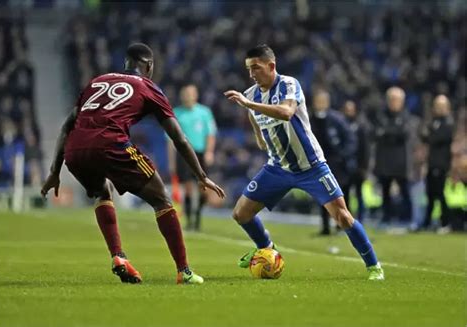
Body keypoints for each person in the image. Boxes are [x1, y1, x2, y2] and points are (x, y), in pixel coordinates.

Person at [41, 43, 225, 285]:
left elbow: (67, 125)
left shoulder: (98, 81)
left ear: (126, 64)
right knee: (162, 200)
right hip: (111, 144)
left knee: (101, 193)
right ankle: (184, 271)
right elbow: (178, 137)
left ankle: (118, 256)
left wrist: (55, 171)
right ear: (149, 66)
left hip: (76, 149)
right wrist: (201, 174)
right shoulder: (147, 86)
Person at [224, 44, 384, 280]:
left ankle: (374, 266)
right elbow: (258, 131)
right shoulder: (250, 94)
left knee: (343, 217)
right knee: (241, 214)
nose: (252, 74)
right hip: (278, 167)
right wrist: (260, 136)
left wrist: (249, 105)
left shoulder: (289, 85)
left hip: (311, 167)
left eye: (256, 68)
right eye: (249, 69)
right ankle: (268, 249)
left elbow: (287, 113)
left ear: (271, 66)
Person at [168, 84, 217, 231]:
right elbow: (170, 139)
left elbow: (211, 134)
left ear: (196, 95)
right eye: (185, 94)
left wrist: (209, 152)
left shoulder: (204, 112)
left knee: (203, 187)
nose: (188, 96)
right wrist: (171, 161)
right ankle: (190, 221)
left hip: (200, 153)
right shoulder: (176, 113)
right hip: (183, 154)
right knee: (188, 188)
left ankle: (198, 216)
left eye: (190, 93)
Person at [310, 91, 357, 235]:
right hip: (319, 164)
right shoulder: (310, 120)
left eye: (323, 100)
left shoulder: (337, 120)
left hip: (337, 165)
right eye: (318, 100)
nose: (320, 104)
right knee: (322, 196)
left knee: (341, 196)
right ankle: (325, 226)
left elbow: (350, 139)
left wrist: (343, 156)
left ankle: (343, 225)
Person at [373, 87, 413, 224]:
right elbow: (376, 134)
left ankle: (408, 218)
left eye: (396, 100)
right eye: (391, 99)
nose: (394, 102)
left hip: (401, 160)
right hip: (384, 160)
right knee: (385, 190)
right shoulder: (380, 115)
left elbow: (404, 134)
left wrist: (387, 132)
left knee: (405, 190)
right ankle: (386, 217)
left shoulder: (406, 116)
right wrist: (393, 132)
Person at [420, 95, 454, 232]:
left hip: (441, 163)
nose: (438, 108)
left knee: (439, 193)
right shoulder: (435, 122)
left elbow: (434, 138)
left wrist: (430, 135)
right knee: (430, 194)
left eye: (441, 106)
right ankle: (427, 222)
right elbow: (426, 137)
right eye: (437, 105)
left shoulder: (448, 123)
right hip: (432, 162)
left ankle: (445, 222)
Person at [342, 100, 370, 223]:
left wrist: (364, 166)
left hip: (358, 166)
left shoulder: (360, 126)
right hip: (344, 166)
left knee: (359, 194)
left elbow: (365, 148)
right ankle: (346, 220)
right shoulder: (341, 125)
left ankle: (361, 219)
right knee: (344, 195)